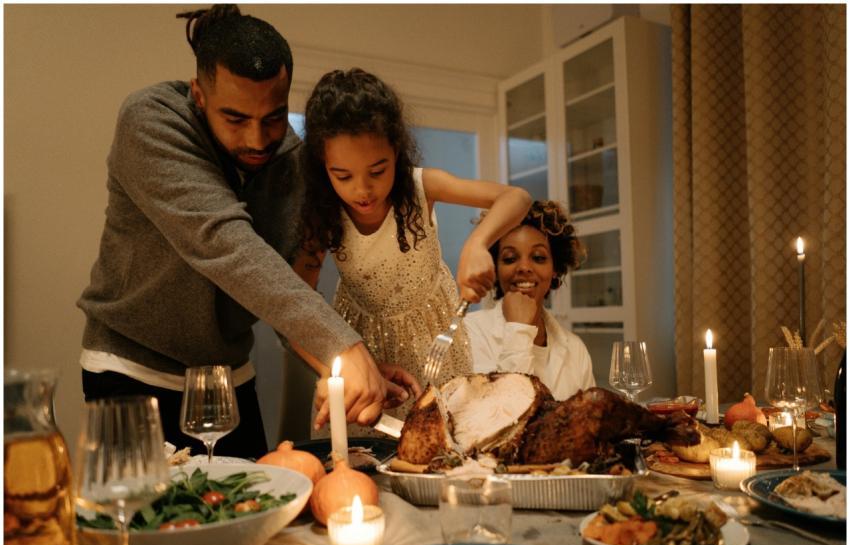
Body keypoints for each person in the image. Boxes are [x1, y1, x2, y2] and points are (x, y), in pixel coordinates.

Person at [76, 6, 407, 459]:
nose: (256, 139)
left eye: (273, 118)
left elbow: (283, 294)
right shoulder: (150, 121)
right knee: (144, 523)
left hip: (228, 377)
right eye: (235, 119)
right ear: (199, 94)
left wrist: (349, 368)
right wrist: (342, 345)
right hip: (130, 369)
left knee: (255, 516)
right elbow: (224, 243)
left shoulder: (292, 161)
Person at [300, 68, 532, 434]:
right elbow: (297, 305)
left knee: (443, 447)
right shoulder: (322, 214)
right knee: (367, 457)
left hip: (435, 341)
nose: (362, 190)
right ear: (322, 167)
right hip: (360, 346)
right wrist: (333, 368)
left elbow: (516, 197)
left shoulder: (423, 186)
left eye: (378, 171)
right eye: (342, 176)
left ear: (397, 151)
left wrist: (477, 242)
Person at [464, 200, 594, 400]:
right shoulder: (470, 334)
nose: (524, 267)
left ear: (555, 270)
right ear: (495, 269)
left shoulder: (576, 349)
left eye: (538, 257)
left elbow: (589, 423)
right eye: (509, 258)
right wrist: (518, 328)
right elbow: (500, 418)